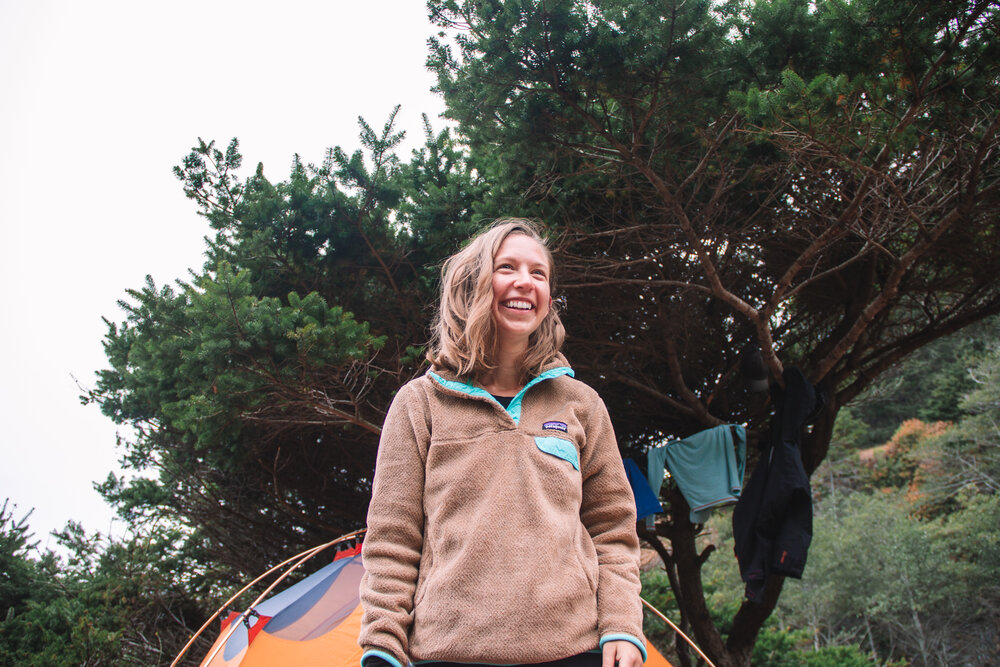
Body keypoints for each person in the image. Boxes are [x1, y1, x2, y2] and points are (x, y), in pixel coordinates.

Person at [358, 219, 645, 667]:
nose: (525, 283)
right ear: (472, 284)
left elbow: (613, 530)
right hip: (447, 652)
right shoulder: (420, 404)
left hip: (574, 650)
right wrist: (382, 644)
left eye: (539, 273)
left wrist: (623, 625)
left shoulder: (581, 404)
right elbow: (392, 538)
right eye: (507, 267)